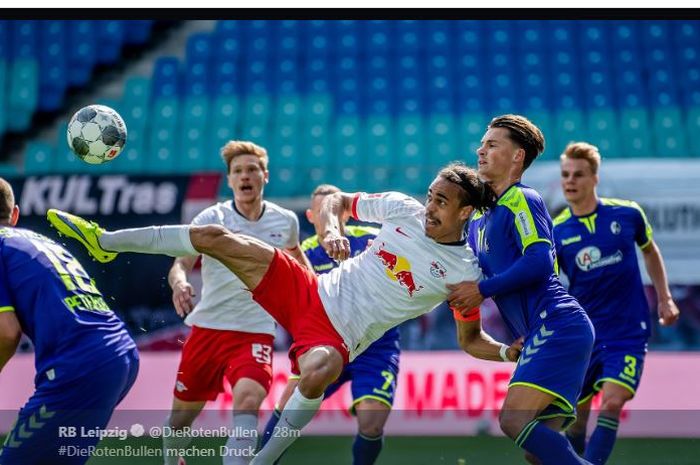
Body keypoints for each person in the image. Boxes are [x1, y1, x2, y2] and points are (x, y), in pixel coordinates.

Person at [47, 162, 522, 465]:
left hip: (337, 336)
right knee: (217, 238)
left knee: (321, 368)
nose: (429, 206)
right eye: (431, 194)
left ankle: (261, 462)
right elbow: (337, 200)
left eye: (442, 201)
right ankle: (105, 243)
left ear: (465, 213)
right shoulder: (402, 209)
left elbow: (469, 341)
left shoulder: (463, 271)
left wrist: (506, 354)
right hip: (309, 290)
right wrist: (334, 226)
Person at [446, 114, 596, 465]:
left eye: (492, 144)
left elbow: (540, 261)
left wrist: (482, 289)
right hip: (541, 334)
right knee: (537, 453)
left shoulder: (521, 199)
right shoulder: (479, 222)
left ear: (517, 157)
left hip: (558, 325)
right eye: (482, 144)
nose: (480, 151)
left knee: (514, 421)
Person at [162, 141, 309, 465]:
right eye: (238, 171)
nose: (245, 176)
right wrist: (180, 283)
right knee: (179, 422)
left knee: (248, 401)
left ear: (264, 176)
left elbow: (301, 268)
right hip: (208, 329)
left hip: (255, 331)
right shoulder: (212, 217)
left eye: (252, 170)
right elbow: (180, 264)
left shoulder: (285, 222)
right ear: (229, 180)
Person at [553, 142, 680, 465]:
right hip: (586, 336)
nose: (570, 181)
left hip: (627, 331)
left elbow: (650, 250)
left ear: (594, 178)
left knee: (611, 402)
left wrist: (664, 298)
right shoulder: (557, 232)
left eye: (578, 175)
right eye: (565, 175)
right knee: (577, 419)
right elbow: (551, 287)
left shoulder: (627, 214)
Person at [0, 178, 139, 465]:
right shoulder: (36, 240)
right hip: (121, 353)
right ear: (14, 214)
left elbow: (6, 333)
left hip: (80, 366)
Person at [259, 184, 400, 465]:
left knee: (372, 424)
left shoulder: (372, 241)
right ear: (311, 216)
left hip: (375, 347)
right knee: (287, 407)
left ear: (343, 214)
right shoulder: (302, 254)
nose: (327, 217)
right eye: (320, 212)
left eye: (331, 210)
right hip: (323, 342)